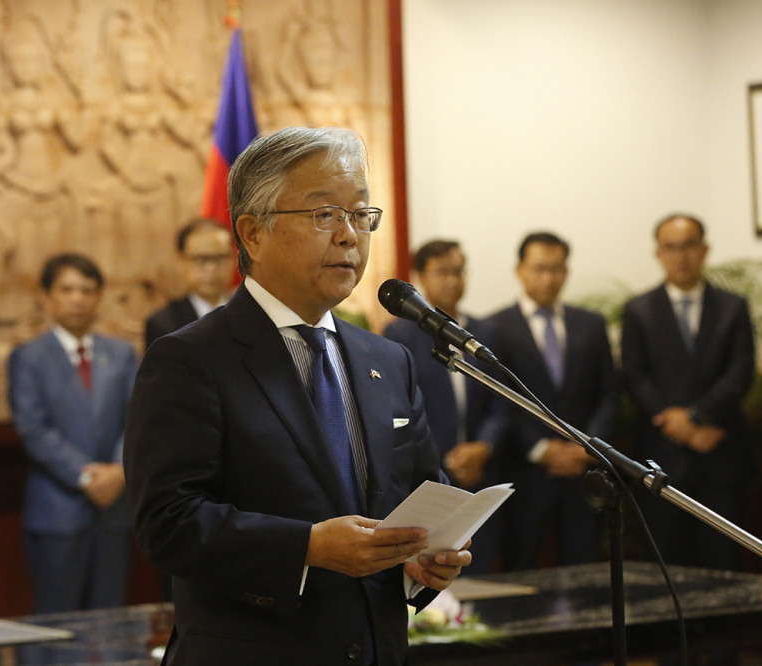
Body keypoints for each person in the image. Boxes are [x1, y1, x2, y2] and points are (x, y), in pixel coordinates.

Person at [123, 126, 471, 665]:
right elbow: (167, 524)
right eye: (325, 214)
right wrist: (307, 548)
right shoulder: (191, 359)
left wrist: (425, 559)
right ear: (253, 233)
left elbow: (423, 491)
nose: (350, 235)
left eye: (360, 214)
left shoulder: (387, 359)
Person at [621, 214, 754, 570]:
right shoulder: (638, 310)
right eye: (671, 247)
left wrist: (696, 418)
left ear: (705, 249)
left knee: (723, 566)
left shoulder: (733, 307)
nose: (680, 256)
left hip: (720, 451)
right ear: (658, 253)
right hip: (660, 459)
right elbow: (635, 376)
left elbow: (740, 373)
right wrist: (676, 426)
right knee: (666, 568)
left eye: (689, 246)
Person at [9, 253, 138, 613]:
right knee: (59, 622)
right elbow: (33, 429)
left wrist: (118, 471)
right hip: (57, 512)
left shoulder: (122, 354)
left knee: (110, 618)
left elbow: (138, 420)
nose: (77, 299)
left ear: (99, 297)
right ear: (46, 297)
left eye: (87, 290)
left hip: (114, 509)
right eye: (67, 290)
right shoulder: (28, 357)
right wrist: (87, 477)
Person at [484, 232, 617, 570]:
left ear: (566, 271)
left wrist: (588, 447)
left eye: (556, 269)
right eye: (539, 269)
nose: (548, 278)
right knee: (521, 567)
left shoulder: (591, 324)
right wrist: (540, 449)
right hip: (525, 471)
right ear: (520, 270)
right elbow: (499, 399)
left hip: (584, 470)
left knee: (584, 569)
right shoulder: (494, 328)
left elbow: (608, 394)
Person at [383, 239, 506, 572]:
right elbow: (399, 409)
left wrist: (483, 447)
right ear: (421, 277)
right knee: (436, 567)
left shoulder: (484, 332)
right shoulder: (398, 335)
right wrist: (444, 458)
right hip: (428, 477)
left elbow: (500, 403)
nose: (452, 280)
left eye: (458, 271)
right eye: (442, 272)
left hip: (481, 471)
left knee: (482, 568)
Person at [144, 218, 236, 348]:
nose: (211, 268)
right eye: (201, 259)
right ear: (180, 262)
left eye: (219, 257)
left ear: (234, 260)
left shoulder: (250, 313)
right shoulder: (163, 324)